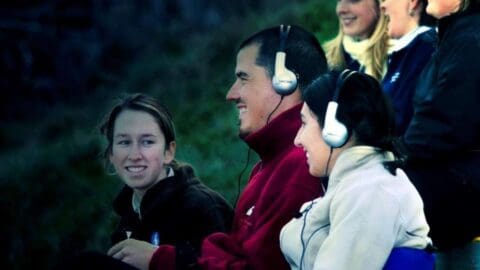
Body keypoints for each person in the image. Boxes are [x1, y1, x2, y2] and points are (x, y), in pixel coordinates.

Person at [106, 25, 328, 270]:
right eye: (124, 142)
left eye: (243, 78)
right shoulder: (269, 167)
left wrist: (161, 259)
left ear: (284, 81)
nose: (231, 94)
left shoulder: (300, 165)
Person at [57, 93, 233, 270]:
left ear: (168, 152)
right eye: (124, 142)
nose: (134, 155)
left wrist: (160, 259)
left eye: (147, 142)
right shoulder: (128, 214)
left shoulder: (202, 206)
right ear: (111, 154)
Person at [280, 70, 432, 270]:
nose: (297, 139)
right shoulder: (356, 185)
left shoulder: (371, 193)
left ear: (334, 130)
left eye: (304, 123)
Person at [400, 0, 480, 268]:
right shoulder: (455, 36)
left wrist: (394, 155)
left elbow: (446, 122)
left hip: (464, 190)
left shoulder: (471, 39)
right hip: (454, 183)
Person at [380, 0, 437, 135]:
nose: (382, 6)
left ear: (413, 3)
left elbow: (403, 120)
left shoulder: (425, 49)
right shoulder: (408, 50)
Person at [324, 0, 389, 81]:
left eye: (353, 0)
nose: (341, 10)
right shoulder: (329, 63)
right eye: (339, 0)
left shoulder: (400, 57)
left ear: (380, 3)